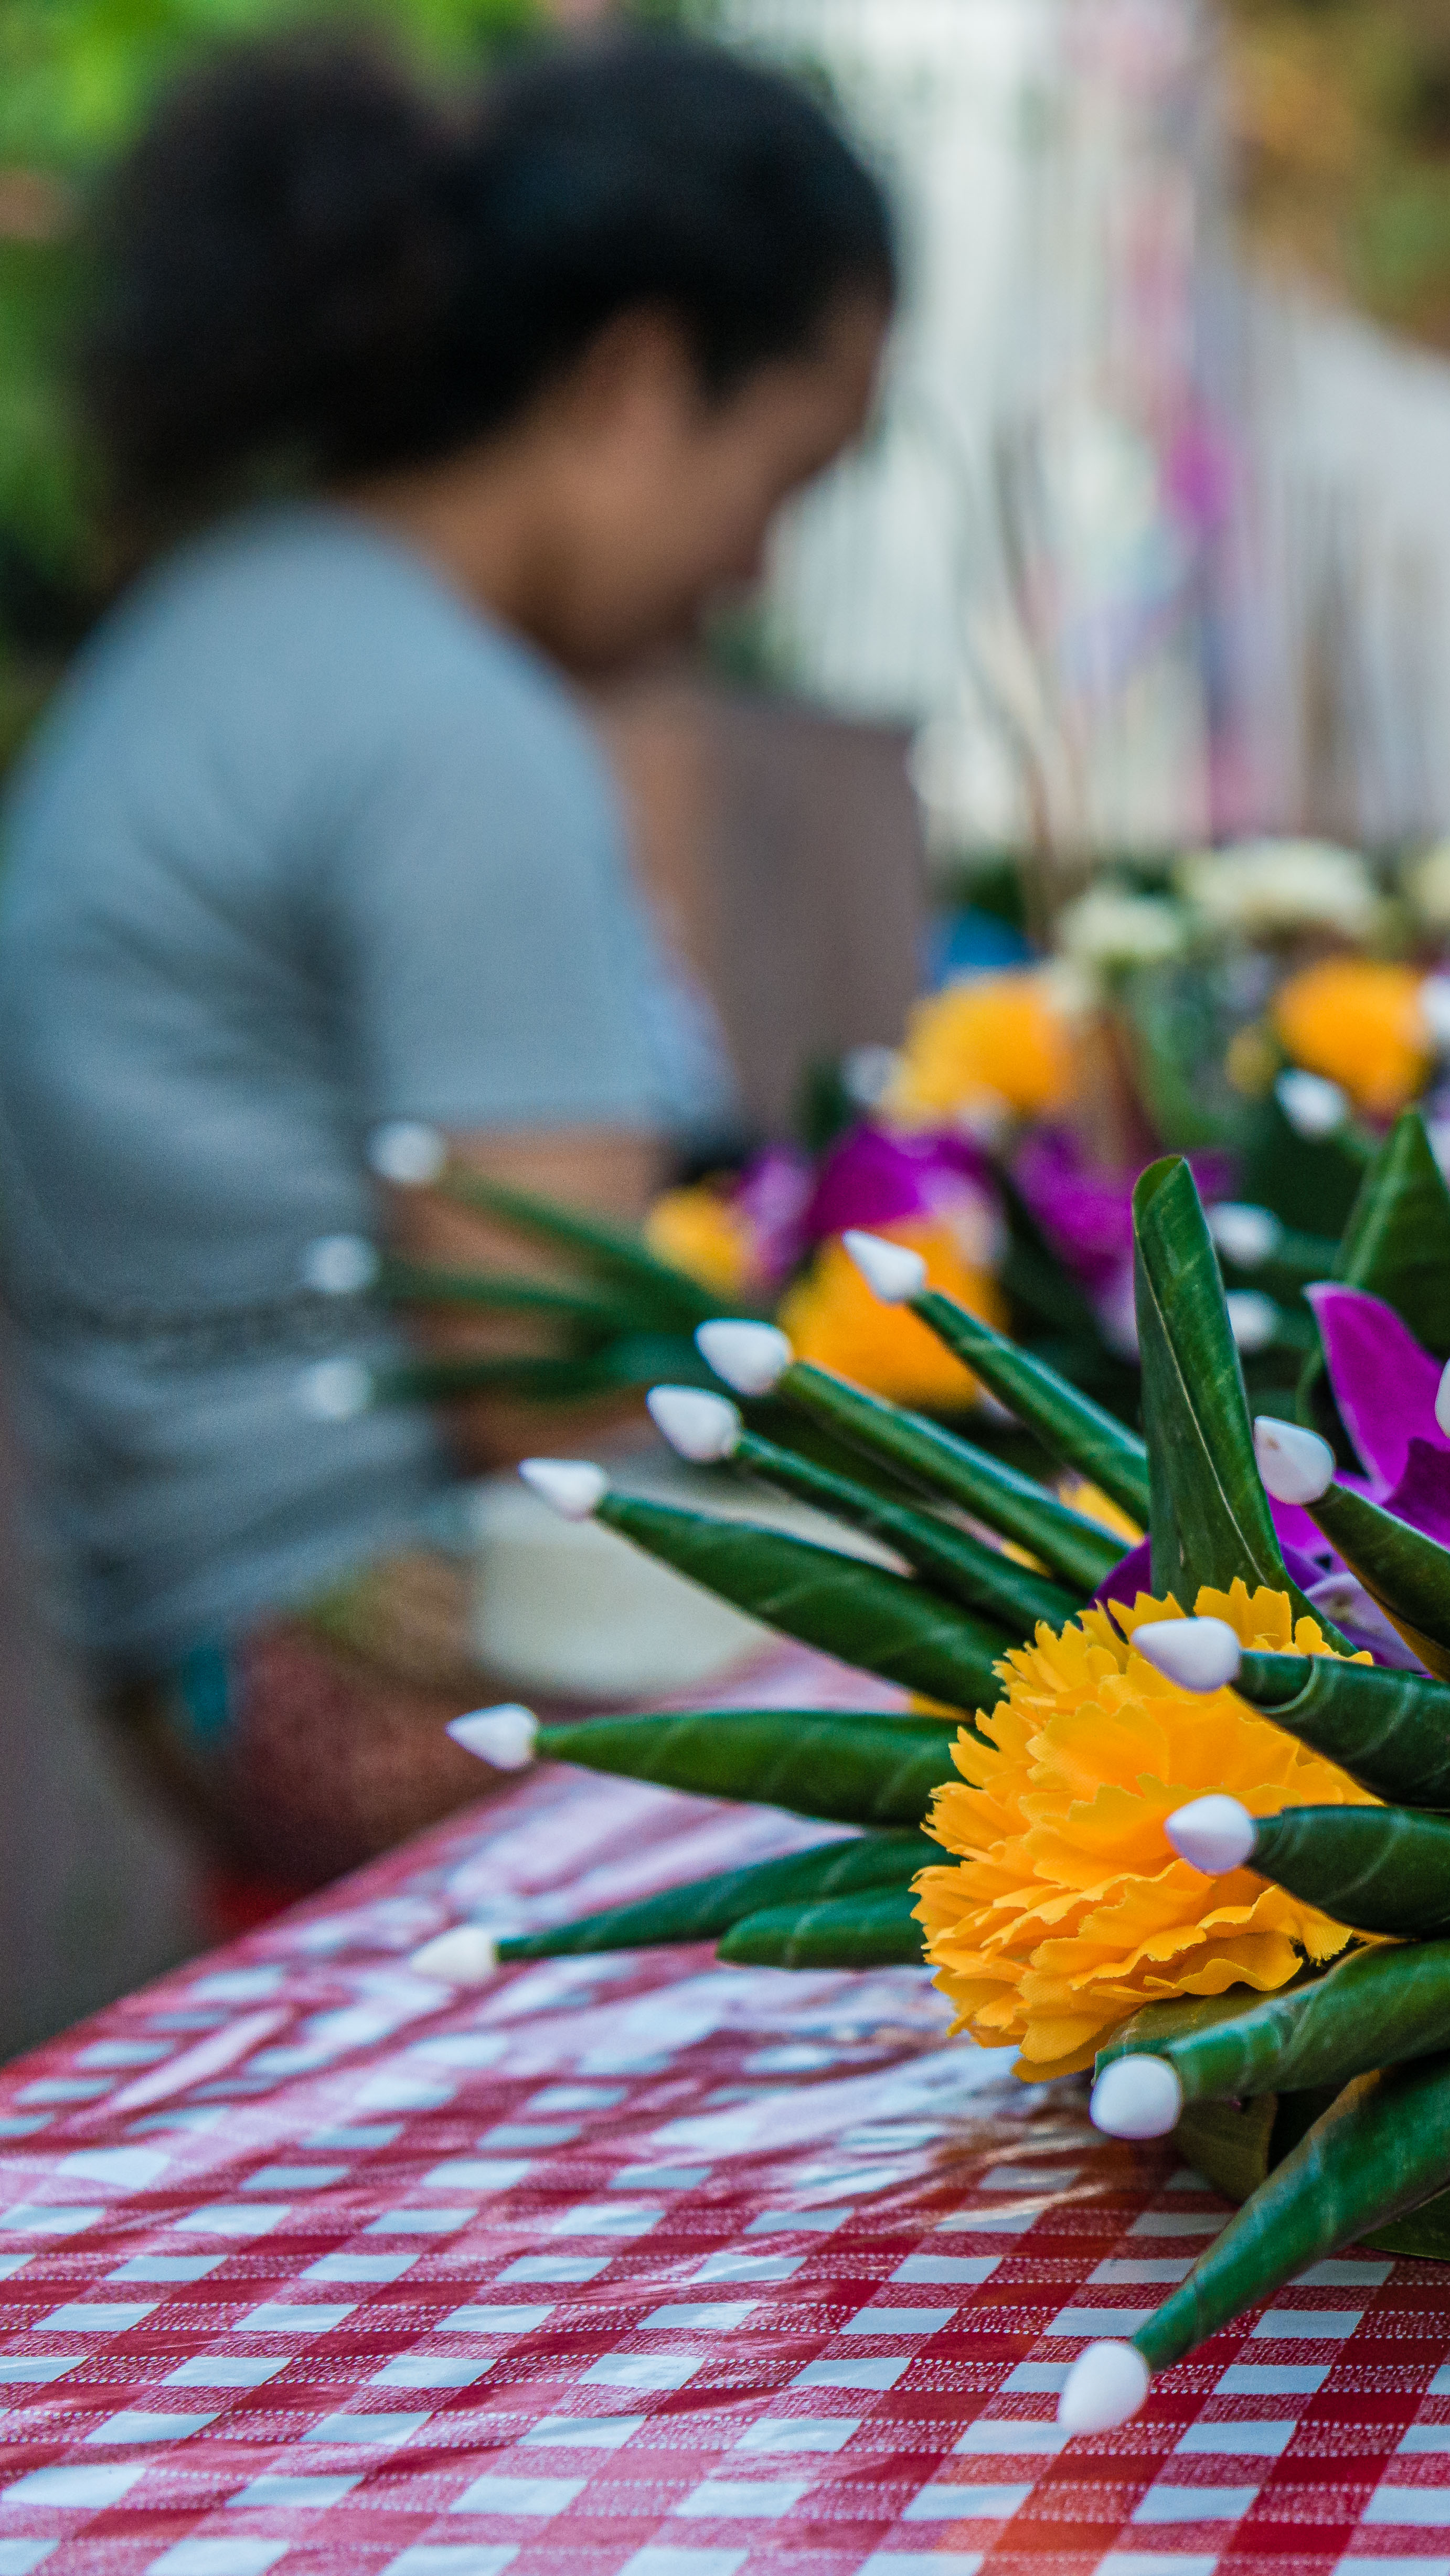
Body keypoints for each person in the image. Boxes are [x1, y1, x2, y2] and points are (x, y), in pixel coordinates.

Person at [0, 31, 893, 1909]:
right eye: (783, 471)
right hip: (357, 1641)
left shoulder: (228, 620)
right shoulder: (446, 726)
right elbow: (534, 1369)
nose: (754, 565)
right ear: (641, 378)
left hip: (179, 1633)